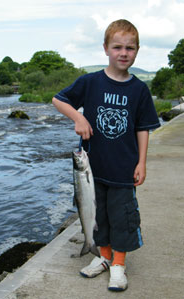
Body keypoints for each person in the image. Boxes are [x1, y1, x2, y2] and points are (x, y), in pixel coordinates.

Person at [52, 19, 160, 292]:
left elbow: (143, 129)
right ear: (105, 49)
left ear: (137, 51)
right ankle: (103, 257)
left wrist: (141, 162)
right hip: (91, 170)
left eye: (130, 48)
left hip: (124, 170)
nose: (123, 53)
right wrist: (78, 117)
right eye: (117, 47)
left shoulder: (139, 89)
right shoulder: (90, 82)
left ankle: (119, 266)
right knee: (96, 215)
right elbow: (58, 99)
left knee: (122, 218)